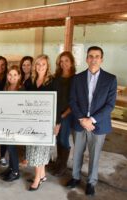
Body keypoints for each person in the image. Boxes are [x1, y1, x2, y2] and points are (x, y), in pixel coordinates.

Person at [66, 46, 117, 196]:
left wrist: (92, 120)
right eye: (90, 56)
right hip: (80, 123)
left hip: (99, 124)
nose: (93, 59)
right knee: (78, 153)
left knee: (95, 155)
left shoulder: (110, 79)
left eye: (97, 56)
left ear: (101, 59)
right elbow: (72, 100)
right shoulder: (77, 78)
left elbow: (110, 105)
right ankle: (75, 177)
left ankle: (91, 182)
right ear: (87, 59)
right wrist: (83, 119)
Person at [25, 54, 57, 191]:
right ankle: (42, 175)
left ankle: (37, 179)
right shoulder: (30, 81)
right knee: (34, 150)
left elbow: (59, 103)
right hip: (32, 122)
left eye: (43, 64)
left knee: (40, 151)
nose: (40, 67)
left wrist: (58, 123)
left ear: (47, 66)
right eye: (38, 64)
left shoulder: (53, 81)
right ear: (34, 66)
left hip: (46, 123)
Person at [52, 51, 76, 177]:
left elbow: (76, 100)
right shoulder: (56, 77)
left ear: (71, 62)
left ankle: (63, 166)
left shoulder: (75, 79)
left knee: (63, 138)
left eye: (66, 61)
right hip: (56, 113)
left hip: (67, 114)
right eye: (61, 61)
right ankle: (58, 161)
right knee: (56, 138)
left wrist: (64, 114)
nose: (63, 63)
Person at [0, 65, 22, 182]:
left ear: (19, 76)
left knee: (13, 147)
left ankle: (16, 171)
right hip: (7, 121)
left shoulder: (21, 89)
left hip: (16, 123)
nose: (12, 77)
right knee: (8, 146)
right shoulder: (6, 88)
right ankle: (11, 167)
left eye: (15, 75)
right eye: (10, 75)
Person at [19, 56, 33, 167]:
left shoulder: (33, 79)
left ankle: (27, 158)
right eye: (24, 65)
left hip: (29, 110)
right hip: (21, 110)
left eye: (28, 64)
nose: (26, 67)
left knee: (29, 134)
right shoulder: (20, 78)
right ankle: (24, 156)